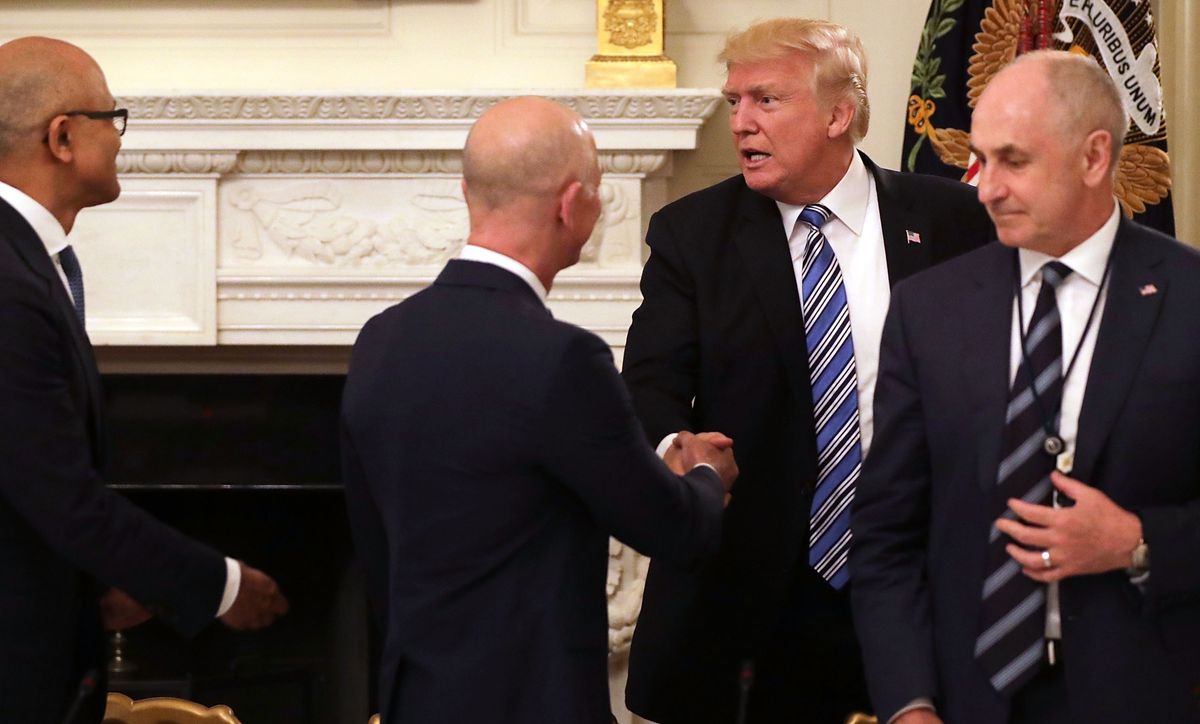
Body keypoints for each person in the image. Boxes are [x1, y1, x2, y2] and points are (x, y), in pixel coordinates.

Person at [622, 17, 993, 724]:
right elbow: (650, 383)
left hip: (917, 578)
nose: (741, 124)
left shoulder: (953, 221)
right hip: (752, 597)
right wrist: (679, 448)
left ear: (838, 114)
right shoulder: (692, 234)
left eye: (765, 100)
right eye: (734, 102)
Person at [340, 96, 738, 724]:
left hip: (416, 698)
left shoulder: (380, 340)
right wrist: (707, 476)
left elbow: (373, 540)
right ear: (571, 204)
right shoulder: (563, 360)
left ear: (470, 193)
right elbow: (673, 530)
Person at [851, 50, 1200, 723]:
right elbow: (886, 535)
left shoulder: (1190, 300)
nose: (983, 188)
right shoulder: (929, 309)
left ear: (1094, 158)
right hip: (964, 700)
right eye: (979, 160)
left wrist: (1138, 540)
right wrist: (908, 704)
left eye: (1014, 161)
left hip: (1150, 694)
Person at [0, 37, 289, 724]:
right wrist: (217, 584)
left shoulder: (27, 265)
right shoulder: (8, 286)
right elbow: (61, 496)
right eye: (113, 117)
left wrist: (103, 578)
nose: (122, 139)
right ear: (63, 136)